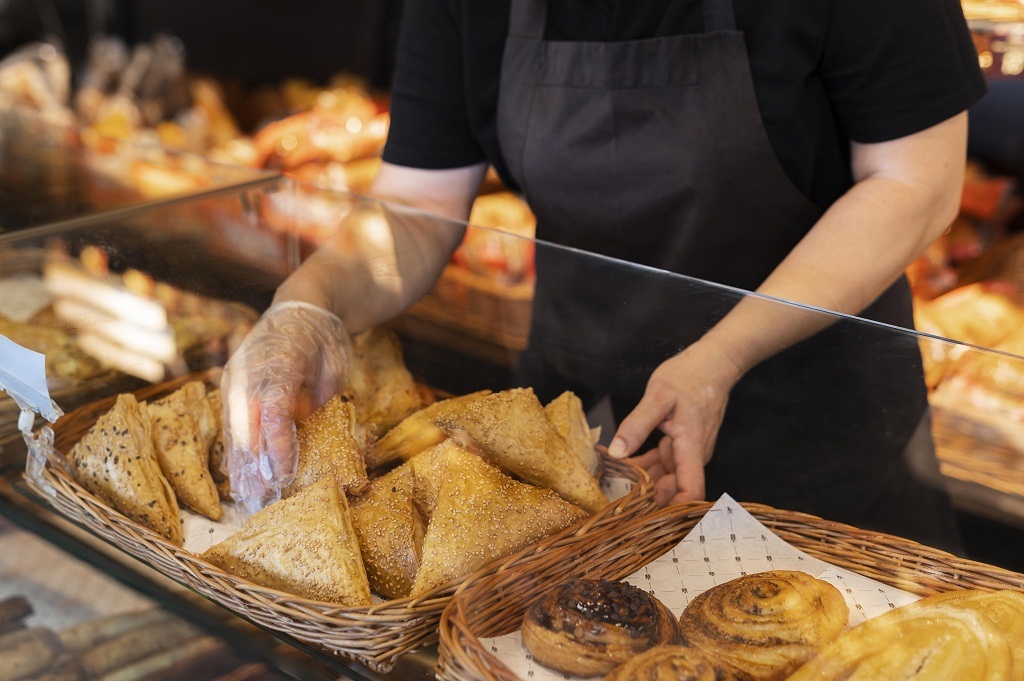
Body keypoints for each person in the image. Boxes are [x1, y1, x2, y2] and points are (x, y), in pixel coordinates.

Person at [222, 0, 985, 552]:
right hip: (577, 446)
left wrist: (721, 357)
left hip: (821, 436)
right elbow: (417, 207)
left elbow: (915, 183)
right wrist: (306, 304)